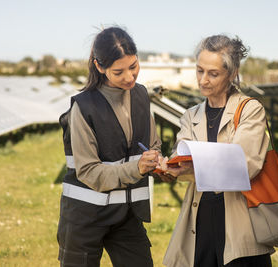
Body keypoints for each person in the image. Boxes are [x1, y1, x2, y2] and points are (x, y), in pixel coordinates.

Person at [159, 35, 274, 267]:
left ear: (232, 74)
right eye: (199, 71)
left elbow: (244, 165)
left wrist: (193, 165)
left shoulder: (250, 110)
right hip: (200, 220)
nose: (203, 80)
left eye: (213, 74)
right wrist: (171, 168)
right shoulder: (190, 116)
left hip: (240, 221)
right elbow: (182, 159)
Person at [57, 26, 161, 267]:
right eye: (119, 71)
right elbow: (89, 171)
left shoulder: (141, 96)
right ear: (99, 67)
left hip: (127, 216)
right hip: (85, 218)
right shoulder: (83, 108)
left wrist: (158, 162)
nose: (129, 77)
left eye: (133, 66)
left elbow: (153, 144)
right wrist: (138, 168)